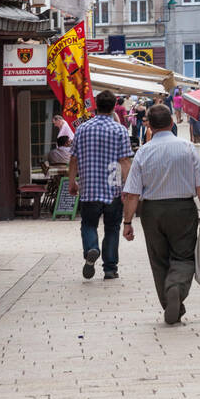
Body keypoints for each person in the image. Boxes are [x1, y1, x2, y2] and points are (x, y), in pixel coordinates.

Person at [122, 103, 200, 324]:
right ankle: (176, 288)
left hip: (152, 211)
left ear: (150, 127)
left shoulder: (143, 152)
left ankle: (169, 301)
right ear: (172, 123)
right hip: (183, 208)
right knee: (184, 256)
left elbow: (132, 194)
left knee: (159, 259)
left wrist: (127, 222)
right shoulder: (187, 148)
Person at [68, 89, 133, 280]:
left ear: (96, 105)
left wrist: (72, 182)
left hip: (89, 187)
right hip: (113, 187)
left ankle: (91, 249)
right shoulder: (119, 130)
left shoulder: (82, 129)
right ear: (114, 107)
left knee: (88, 224)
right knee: (112, 228)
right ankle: (110, 269)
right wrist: (129, 187)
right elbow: (125, 161)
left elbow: (73, 159)